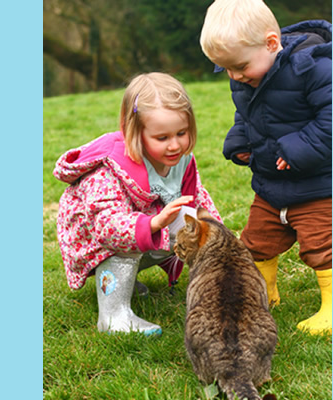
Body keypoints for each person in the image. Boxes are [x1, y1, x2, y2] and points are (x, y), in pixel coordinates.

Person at [199, 0, 332, 335]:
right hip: (271, 185)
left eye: (240, 67)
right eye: (225, 69)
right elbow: (247, 115)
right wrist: (239, 141)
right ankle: (263, 293)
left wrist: (298, 148)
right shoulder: (246, 76)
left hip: (318, 186)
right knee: (255, 242)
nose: (235, 76)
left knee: (321, 246)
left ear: (272, 44)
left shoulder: (316, 69)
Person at [54, 72, 221, 335]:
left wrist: (220, 241)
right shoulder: (110, 170)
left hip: (150, 225)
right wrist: (154, 222)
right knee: (127, 238)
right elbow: (108, 228)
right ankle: (113, 315)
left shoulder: (181, 162)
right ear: (134, 130)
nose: (175, 145)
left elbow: (197, 202)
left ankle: (217, 291)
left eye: (182, 133)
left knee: (194, 224)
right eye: (162, 138)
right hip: (96, 240)